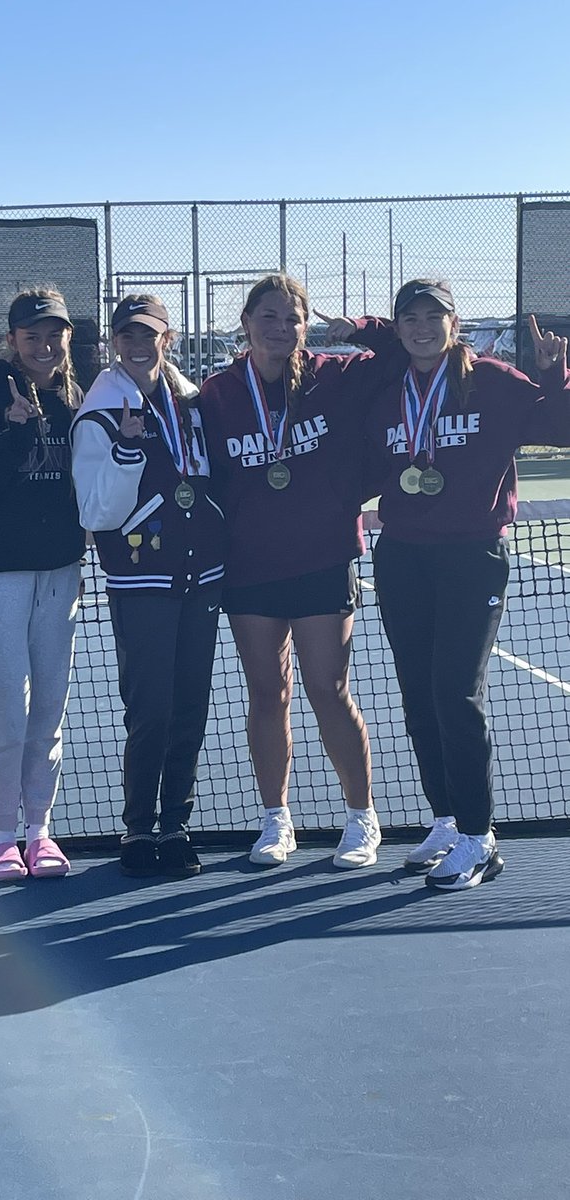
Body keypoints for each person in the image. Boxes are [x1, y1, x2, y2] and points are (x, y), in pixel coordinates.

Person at [362, 279, 570, 890]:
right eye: (410, 317)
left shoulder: (496, 380)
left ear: (454, 323)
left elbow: (561, 429)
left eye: (435, 315)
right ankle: (448, 820)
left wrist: (557, 376)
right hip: (401, 556)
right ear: (398, 327)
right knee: (419, 698)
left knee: (456, 692)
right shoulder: (384, 387)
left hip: (471, 557)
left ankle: (481, 838)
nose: (422, 327)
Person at [198, 273, 399, 870]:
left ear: (306, 326)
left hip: (323, 560)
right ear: (246, 322)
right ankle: (275, 819)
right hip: (251, 569)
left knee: (329, 691)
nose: (281, 328)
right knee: (267, 694)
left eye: (293, 318)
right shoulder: (218, 393)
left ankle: (362, 816)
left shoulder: (335, 376)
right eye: (269, 316)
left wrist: (360, 327)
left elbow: (398, 356)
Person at [71, 295, 225, 878]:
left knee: (191, 706)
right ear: (114, 342)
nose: (139, 344)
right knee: (150, 709)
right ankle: (138, 829)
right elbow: (97, 511)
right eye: (127, 334)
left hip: (202, 578)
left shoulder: (190, 403)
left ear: (170, 338)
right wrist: (128, 449)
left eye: (150, 334)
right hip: (142, 580)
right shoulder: (100, 414)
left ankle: (176, 824)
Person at [0, 288, 84, 882]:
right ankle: (2, 836)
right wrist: (11, 433)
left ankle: (40, 829)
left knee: (50, 712)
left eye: (54, 333)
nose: (45, 344)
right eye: (32, 335)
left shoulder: (75, 397)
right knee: (7, 711)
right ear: (12, 340)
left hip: (60, 575)